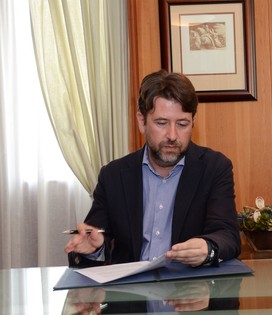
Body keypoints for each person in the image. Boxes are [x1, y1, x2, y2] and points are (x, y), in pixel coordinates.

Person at [64, 69, 240, 268]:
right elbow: (95, 238)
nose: (172, 135)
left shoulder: (214, 168)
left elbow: (228, 235)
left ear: (193, 122)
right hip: (132, 294)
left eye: (182, 124)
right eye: (161, 123)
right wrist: (94, 249)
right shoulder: (113, 176)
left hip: (191, 292)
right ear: (142, 121)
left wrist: (208, 248)